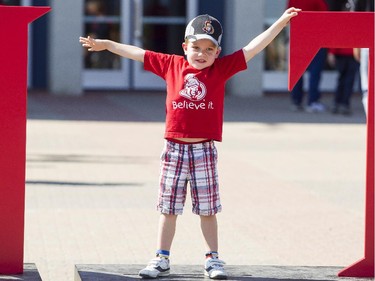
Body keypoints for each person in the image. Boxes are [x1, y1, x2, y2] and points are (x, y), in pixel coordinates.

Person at [80, 8, 300, 279]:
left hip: (203, 150)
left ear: (217, 53)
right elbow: (137, 52)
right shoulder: (171, 65)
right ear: (185, 47)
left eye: (209, 49)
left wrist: (280, 22)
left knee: (207, 209)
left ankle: (213, 259)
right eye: (196, 47)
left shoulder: (220, 69)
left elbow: (253, 48)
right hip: (173, 149)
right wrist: (107, 45)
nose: (202, 54)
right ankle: (161, 258)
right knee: (168, 208)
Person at [287, 0, 328, 113]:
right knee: (315, 73)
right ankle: (312, 101)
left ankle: (296, 101)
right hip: (315, 38)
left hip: (298, 38)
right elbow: (325, 17)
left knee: (298, 72)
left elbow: (288, 15)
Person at [328, 0, 360, 115]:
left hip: (351, 54)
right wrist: (332, 52)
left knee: (346, 80)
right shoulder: (342, 21)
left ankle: (342, 104)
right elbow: (335, 37)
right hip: (345, 54)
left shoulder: (354, 21)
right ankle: (340, 103)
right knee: (344, 80)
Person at [354, 0, 374, 116]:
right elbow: (356, 14)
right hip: (367, 40)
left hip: (367, 40)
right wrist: (356, 43)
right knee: (367, 87)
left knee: (367, 87)